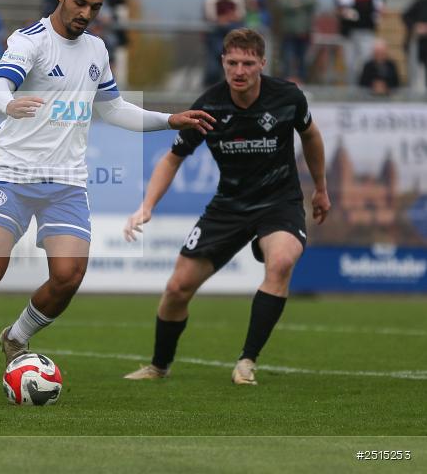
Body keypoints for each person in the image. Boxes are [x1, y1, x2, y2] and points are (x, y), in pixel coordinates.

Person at [0, 0, 215, 403]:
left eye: (96, 6)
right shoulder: (30, 41)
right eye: (80, 2)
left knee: (68, 276)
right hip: (13, 174)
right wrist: (8, 103)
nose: (87, 13)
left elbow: (112, 108)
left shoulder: (97, 50)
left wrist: (170, 119)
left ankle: (16, 337)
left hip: (66, 181)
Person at [122, 28, 330, 386]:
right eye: (232, 62)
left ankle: (247, 361)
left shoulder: (288, 98)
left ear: (262, 63)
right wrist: (147, 205)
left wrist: (321, 189)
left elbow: (310, 135)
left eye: (248, 63)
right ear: (222, 62)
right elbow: (173, 158)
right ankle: (159, 365)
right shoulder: (209, 106)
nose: (239, 70)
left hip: (279, 202)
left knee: (280, 263)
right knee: (176, 290)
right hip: (229, 206)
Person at [334, 0, 384, 86]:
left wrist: (376, 17)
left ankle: (364, 89)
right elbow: (339, 5)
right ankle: (352, 90)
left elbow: (380, 5)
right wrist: (346, 13)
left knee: (365, 62)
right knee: (350, 63)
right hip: (349, 31)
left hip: (366, 29)